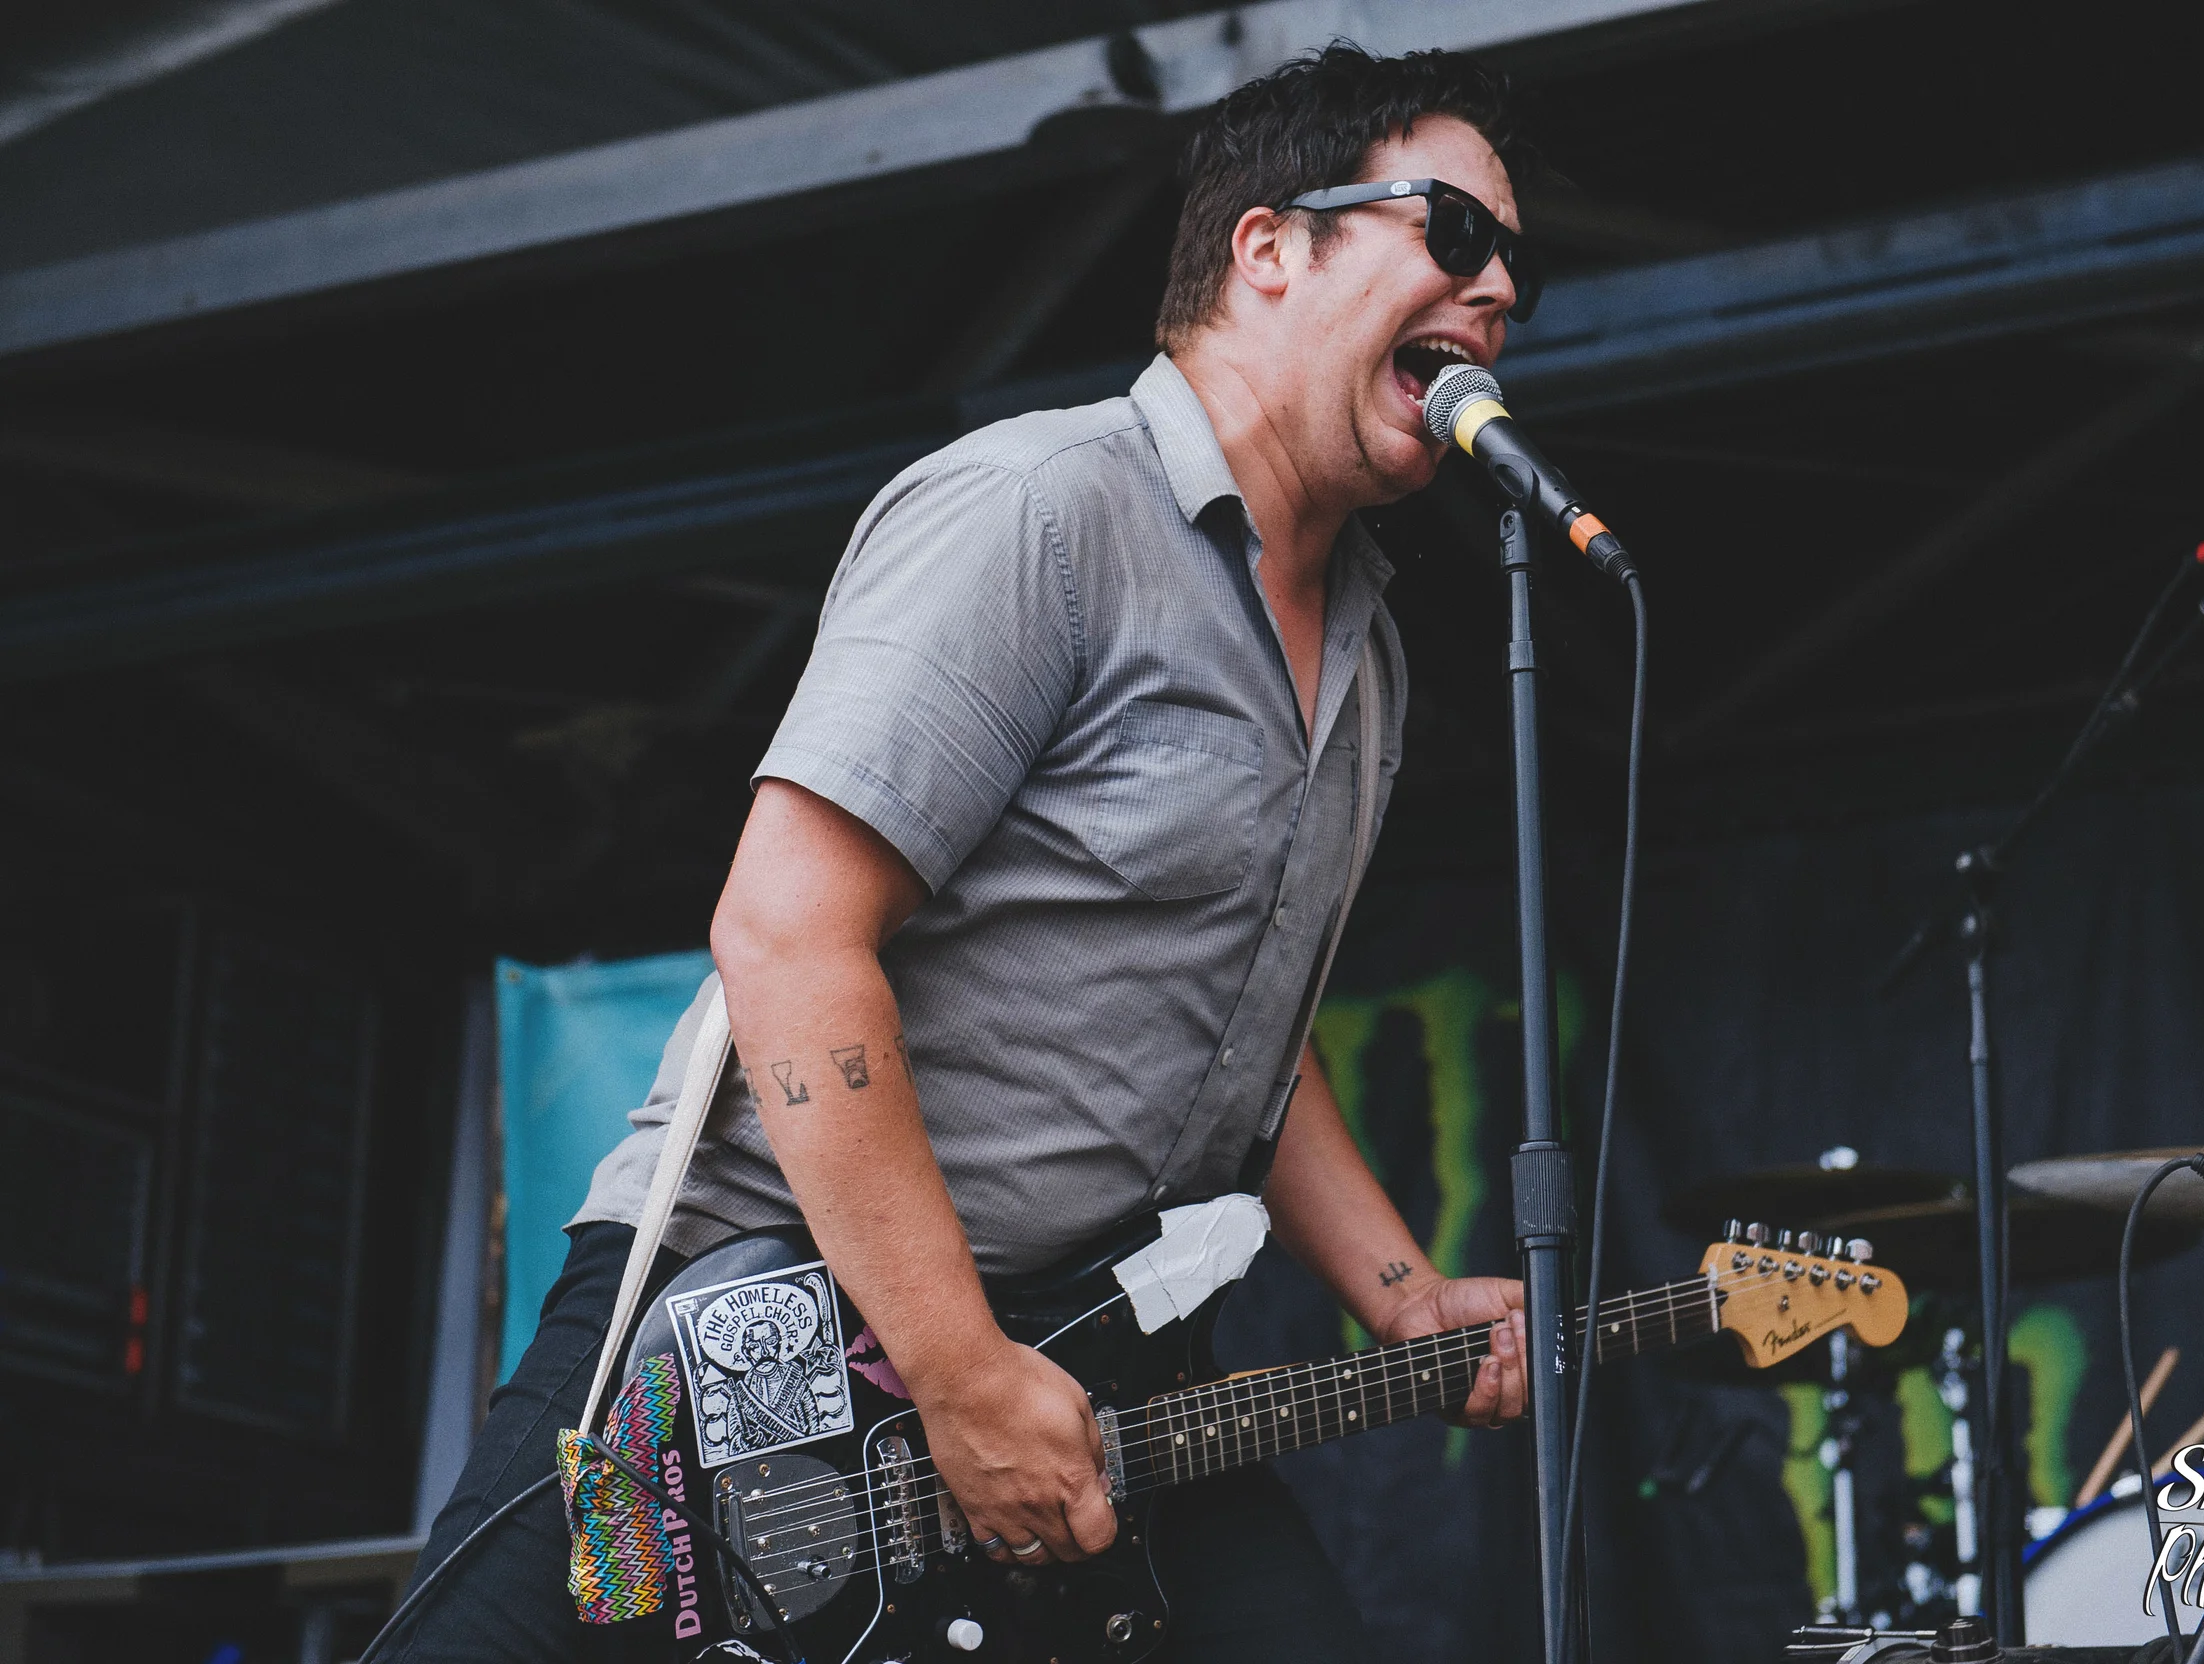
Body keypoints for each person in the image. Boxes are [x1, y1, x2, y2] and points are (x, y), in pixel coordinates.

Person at [387, 43, 1542, 1663]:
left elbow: (1245, 1043)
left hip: (1095, 1355)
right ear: (1269, 247)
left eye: (1519, 267)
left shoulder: (1372, 655)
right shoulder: (1043, 510)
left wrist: (1402, 1293)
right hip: (764, 1332)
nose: (1501, 294)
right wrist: (955, 1370)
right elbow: (787, 935)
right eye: (1455, 233)